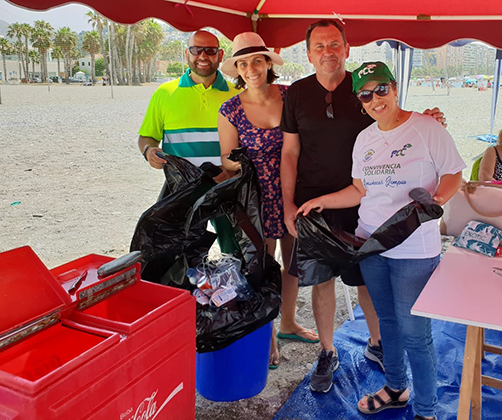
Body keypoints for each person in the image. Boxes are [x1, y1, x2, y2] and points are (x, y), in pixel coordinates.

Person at [280, 19, 446, 394]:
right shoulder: (296, 94)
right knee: (320, 281)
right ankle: (327, 351)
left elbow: (393, 117)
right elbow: (289, 153)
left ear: (347, 49)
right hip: (315, 205)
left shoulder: (362, 87)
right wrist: (289, 204)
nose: (327, 52)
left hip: (365, 201)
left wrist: (429, 119)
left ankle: (377, 343)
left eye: (334, 44)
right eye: (319, 46)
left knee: (367, 282)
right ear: (308, 54)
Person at [297, 61, 464, 420]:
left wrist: (436, 202)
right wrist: (321, 201)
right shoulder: (365, 139)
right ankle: (395, 387)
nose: (375, 99)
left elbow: (453, 174)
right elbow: (359, 190)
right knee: (387, 322)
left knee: (416, 335)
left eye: (381, 89)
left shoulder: (426, 128)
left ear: (394, 87)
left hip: (414, 249)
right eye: (366, 94)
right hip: (370, 245)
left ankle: (426, 410)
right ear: (361, 101)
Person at [218, 32, 318, 370]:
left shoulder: (291, 95)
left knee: (293, 261)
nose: (250, 69)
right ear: (238, 70)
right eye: (243, 64)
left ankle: (288, 322)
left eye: (256, 61)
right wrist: (245, 159)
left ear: (266, 64)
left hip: (295, 189)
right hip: (255, 195)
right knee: (261, 265)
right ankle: (267, 331)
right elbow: (226, 161)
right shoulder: (231, 108)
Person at [137, 30, 240, 254]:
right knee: (177, 254)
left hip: (226, 187)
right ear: (187, 54)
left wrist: (233, 171)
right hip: (182, 190)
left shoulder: (237, 94)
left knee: (236, 253)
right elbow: (147, 136)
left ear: (220, 55)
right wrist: (148, 151)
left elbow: (249, 145)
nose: (203, 55)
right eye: (196, 50)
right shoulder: (165, 93)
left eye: (210, 50)